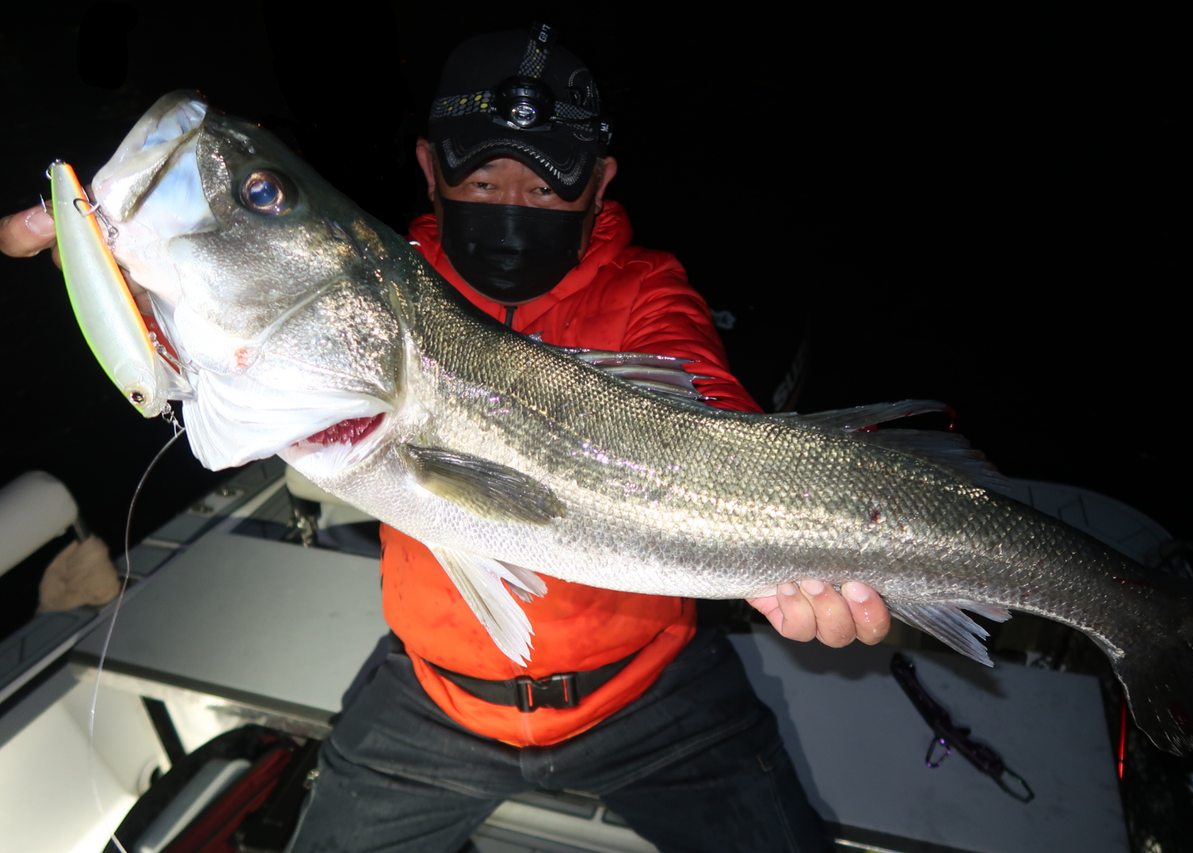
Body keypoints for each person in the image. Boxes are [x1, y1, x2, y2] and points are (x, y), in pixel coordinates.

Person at [1, 25, 891, 852]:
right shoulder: (388, 275)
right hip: (430, 700)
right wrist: (116, 273)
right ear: (430, 168)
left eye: (547, 185)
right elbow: (222, 340)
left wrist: (790, 520)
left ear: (601, 184)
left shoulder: (648, 290)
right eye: (484, 180)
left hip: (652, 694)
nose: (513, 204)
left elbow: (710, 403)